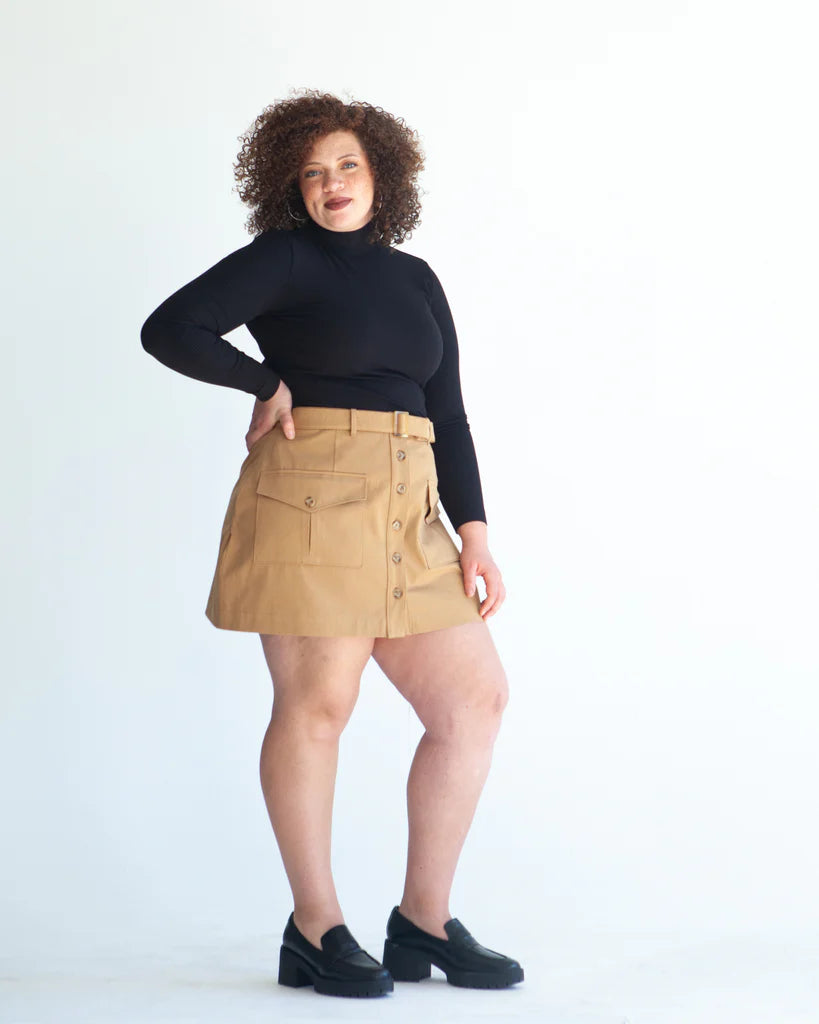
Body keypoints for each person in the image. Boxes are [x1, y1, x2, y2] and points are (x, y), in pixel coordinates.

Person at [140, 89, 523, 999]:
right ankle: (315, 926)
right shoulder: (283, 258)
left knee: (472, 701)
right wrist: (263, 381)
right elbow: (170, 329)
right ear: (291, 186)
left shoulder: (415, 278)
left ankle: (422, 921)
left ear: (381, 173)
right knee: (318, 707)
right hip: (311, 497)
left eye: (347, 164)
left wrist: (472, 531)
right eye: (312, 172)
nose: (331, 183)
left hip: (409, 508)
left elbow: (448, 412)